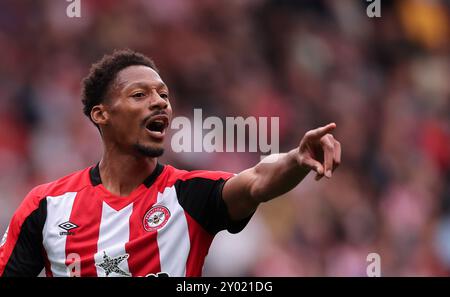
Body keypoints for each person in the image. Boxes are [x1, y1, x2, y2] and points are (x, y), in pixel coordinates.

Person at [0, 49, 341, 277]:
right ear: (101, 114)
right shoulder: (47, 207)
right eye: (140, 95)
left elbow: (257, 181)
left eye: (163, 95)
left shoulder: (190, 196)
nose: (159, 103)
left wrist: (297, 158)